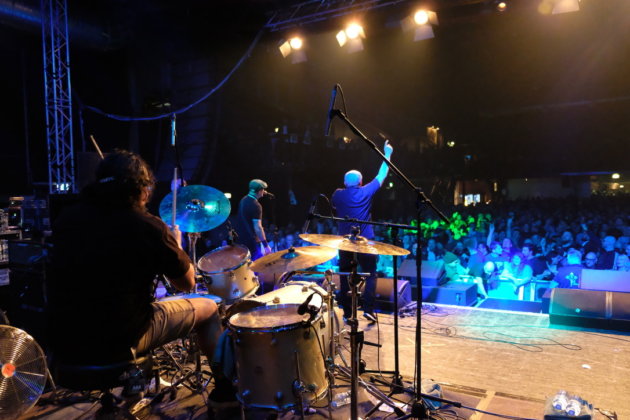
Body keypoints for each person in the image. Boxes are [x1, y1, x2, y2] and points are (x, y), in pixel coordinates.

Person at [48, 150, 223, 377]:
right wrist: (177, 245)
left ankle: (135, 388)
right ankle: (225, 391)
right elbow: (186, 283)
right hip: (120, 340)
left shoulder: (67, 219)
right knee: (209, 308)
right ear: (141, 188)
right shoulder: (147, 226)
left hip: (66, 343)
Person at [332, 140, 392, 323]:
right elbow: (382, 174)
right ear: (361, 181)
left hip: (345, 241)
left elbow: (334, 208)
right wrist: (387, 153)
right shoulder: (366, 191)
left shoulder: (337, 194)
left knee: (344, 275)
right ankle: (368, 309)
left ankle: (347, 312)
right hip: (365, 240)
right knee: (371, 273)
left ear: (344, 182)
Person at [235, 179, 273, 260]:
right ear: (259, 191)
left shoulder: (243, 200)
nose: (264, 191)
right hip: (251, 242)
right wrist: (266, 246)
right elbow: (258, 228)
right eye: (263, 189)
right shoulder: (256, 205)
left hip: (241, 240)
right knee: (258, 264)